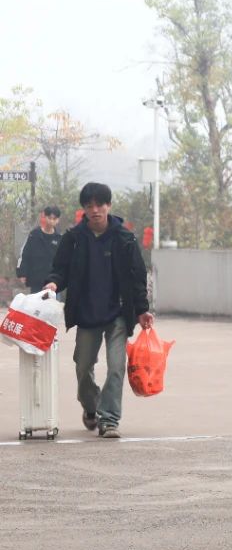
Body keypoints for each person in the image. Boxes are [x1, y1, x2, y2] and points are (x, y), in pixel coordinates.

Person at [44, 183, 153, 439]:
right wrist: (53, 283)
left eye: (99, 205)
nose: (95, 210)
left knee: (116, 367)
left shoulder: (124, 238)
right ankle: (91, 405)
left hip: (118, 314)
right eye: (89, 205)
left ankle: (110, 420)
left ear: (108, 206)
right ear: (84, 209)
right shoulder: (74, 238)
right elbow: (60, 269)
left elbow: (137, 276)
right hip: (86, 313)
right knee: (83, 367)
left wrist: (142, 309)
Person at [15, 206, 62, 294]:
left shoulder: (59, 238)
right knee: (35, 302)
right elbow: (25, 254)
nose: (51, 221)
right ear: (45, 217)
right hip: (36, 280)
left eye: (54, 219)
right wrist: (22, 273)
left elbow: (62, 261)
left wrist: (59, 278)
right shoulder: (34, 235)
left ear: (58, 220)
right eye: (49, 218)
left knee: (52, 302)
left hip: (52, 282)